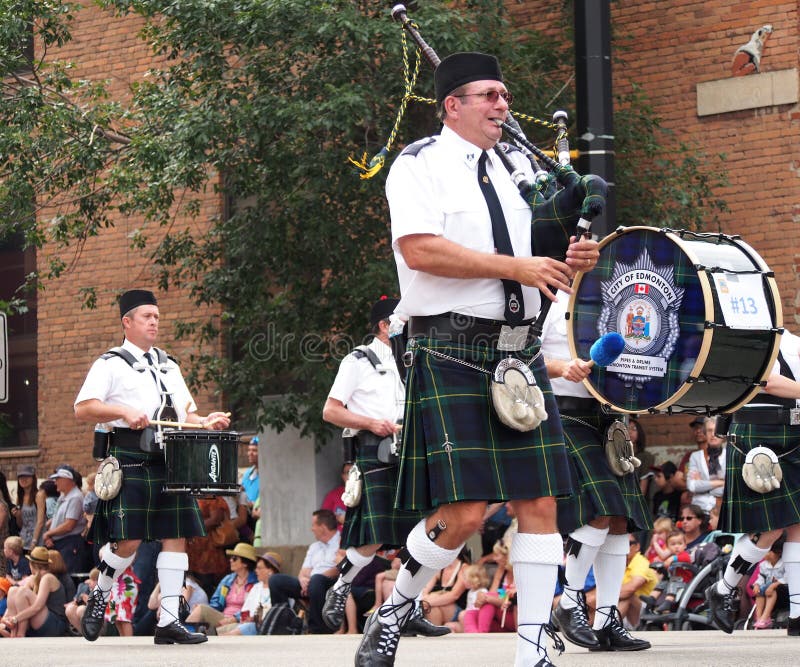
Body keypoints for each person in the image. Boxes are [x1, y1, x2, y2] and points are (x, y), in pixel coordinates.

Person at [355, 51, 601, 667]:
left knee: (540, 503)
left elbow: (541, 261)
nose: (502, 105)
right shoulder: (420, 166)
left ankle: (533, 651)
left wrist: (571, 262)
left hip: (518, 353)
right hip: (453, 346)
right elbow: (419, 251)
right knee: (463, 515)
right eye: (488, 95)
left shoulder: (520, 168)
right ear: (452, 105)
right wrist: (512, 266)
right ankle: (394, 609)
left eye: (506, 95)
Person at [74, 288, 231, 644]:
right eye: (147, 317)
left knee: (176, 537)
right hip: (131, 457)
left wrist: (205, 420)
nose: (154, 322)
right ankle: (102, 591)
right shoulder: (110, 364)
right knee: (127, 542)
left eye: (157, 317)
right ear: (126, 322)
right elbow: (83, 408)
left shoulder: (168, 364)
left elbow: (186, 413)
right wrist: (123, 411)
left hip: (171, 456)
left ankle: (169, 621)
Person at [321, 296, 446, 638]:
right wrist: (370, 422)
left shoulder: (414, 359)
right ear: (383, 325)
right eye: (401, 320)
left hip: (413, 453)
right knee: (375, 536)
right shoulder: (357, 361)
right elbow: (330, 411)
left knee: (423, 533)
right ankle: (341, 586)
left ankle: (407, 607)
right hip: (376, 451)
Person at [541, 293, 651, 652]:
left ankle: (606, 620)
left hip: (609, 414)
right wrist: (561, 368)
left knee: (620, 517)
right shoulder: (543, 301)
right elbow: (518, 357)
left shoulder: (614, 295)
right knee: (601, 509)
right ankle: (570, 602)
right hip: (566, 413)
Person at [706, 329, 800, 636]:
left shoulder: (794, 341)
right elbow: (766, 381)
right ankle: (723, 587)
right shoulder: (746, 338)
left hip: (794, 433)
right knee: (771, 527)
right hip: (758, 436)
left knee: (798, 524)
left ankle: (798, 614)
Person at [268, 509, 340, 634]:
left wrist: (313, 579)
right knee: (276, 580)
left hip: (330, 583)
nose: (311, 529)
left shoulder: (342, 543)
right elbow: (304, 570)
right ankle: (282, 624)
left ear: (322, 527)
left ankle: (317, 629)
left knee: (317, 580)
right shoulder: (314, 546)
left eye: (313, 525)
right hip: (309, 584)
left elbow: (339, 569)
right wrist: (303, 580)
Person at [184, 542, 258, 633]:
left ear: (245, 563)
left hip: (240, 620)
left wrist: (234, 618)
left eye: (234, 559)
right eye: (230, 558)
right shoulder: (227, 579)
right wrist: (207, 609)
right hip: (222, 617)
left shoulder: (255, 583)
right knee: (201, 609)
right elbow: (215, 603)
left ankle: (203, 633)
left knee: (221, 630)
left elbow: (252, 607)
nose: (230, 560)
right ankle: (186, 634)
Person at [0, 546, 68, 637]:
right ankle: (14, 633)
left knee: (22, 592)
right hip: (42, 620)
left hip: (55, 624)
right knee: (13, 590)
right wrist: (6, 618)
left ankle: (20, 634)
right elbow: (16, 595)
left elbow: (37, 606)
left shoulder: (48, 578)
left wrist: (16, 618)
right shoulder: (34, 578)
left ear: (31, 564)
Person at [218, 551, 282, 636]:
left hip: (262, 626)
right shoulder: (256, 587)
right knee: (219, 630)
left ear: (270, 571)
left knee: (231, 634)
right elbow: (245, 610)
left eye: (259, 568)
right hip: (245, 625)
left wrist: (255, 619)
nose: (256, 571)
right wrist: (246, 618)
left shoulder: (279, 589)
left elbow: (277, 613)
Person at [43, 466, 89, 574]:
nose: (55, 483)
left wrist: (48, 534)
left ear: (67, 480)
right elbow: (58, 518)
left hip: (70, 544)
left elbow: (69, 525)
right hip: (61, 543)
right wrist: (50, 535)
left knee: (68, 576)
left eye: (58, 479)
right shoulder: (64, 496)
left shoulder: (75, 497)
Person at [615, 536, 658, 629]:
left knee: (628, 596)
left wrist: (603, 594)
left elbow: (630, 589)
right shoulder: (618, 562)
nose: (622, 547)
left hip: (648, 611)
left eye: (627, 544)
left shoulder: (640, 562)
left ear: (637, 546)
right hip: (621, 607)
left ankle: (606, 627)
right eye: (619, 544)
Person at [685, 416, 726, 513]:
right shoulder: (696, 456)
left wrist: (703, 484)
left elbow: (732, 487)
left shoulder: (729, 455)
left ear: (723, 435)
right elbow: (692, 486)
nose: (713, 434)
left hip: (723, 510)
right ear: (705, 433)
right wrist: (721, 482)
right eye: (709, 431)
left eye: (716, 431)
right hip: (700, 510)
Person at [751, 540, 787, 629]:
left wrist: (774, 585)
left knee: (772, 590)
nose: (765, 554)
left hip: (783, 591)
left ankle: (765, 617)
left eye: (768, 552)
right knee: (759, 591)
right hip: (767, 589)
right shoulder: (763, 565)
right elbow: (761, 578)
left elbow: (787, 578)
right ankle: (759, 618)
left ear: (778, 553)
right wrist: (757, 585)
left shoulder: (784, 564)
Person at [12, 464, 43, 553]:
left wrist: (34, 542)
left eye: (27, 476)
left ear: (33, 478)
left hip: (37, 541)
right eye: (20, 477)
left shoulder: (39, 495)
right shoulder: (20, 496)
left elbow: (40, 521)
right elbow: (21, 525)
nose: (23, 479)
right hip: (23, 540)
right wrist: (18, 515)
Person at [458, 563, 490, 632]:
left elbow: (481, 608)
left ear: (474, 580)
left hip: (477, 615)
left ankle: (473, 632)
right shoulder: (470, 592)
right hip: (469, 615)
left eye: (465, 579)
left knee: (462, 614)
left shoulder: (482, 591)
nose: (463, 581)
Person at [320, 463, 350, 532]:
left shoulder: (365, 495)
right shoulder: (333, 494)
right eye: (348, 472)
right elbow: (323, 518)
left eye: (354, 472)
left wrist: (348, 521)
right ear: (343, 476)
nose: (351, 475)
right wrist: (337, 518)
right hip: (337, 537)